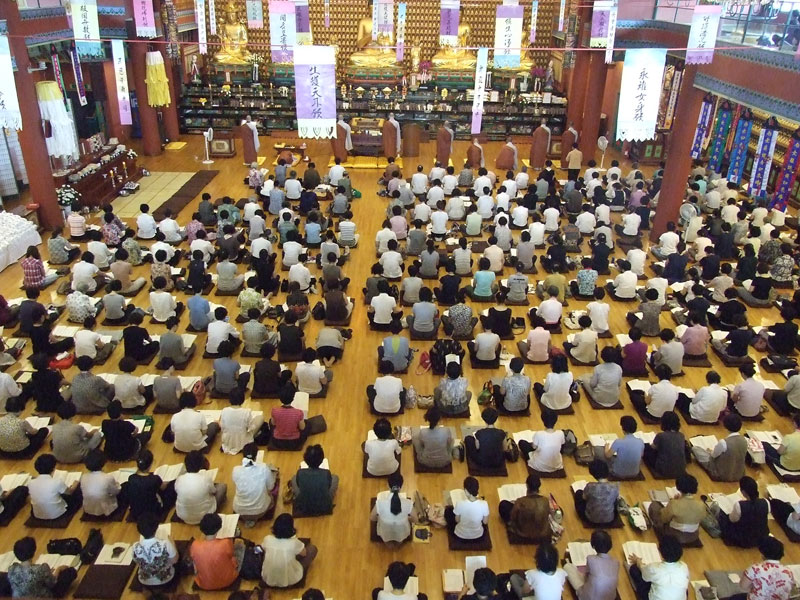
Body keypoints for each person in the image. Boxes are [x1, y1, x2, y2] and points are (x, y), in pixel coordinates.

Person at [8, 536, 78, 598]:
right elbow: (52, 582)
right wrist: (58, 569)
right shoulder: (41, 569)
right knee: (70, 572)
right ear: (33, 551)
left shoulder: (11, 569)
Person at [648, 473, 706, 546]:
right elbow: (701, 518)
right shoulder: (701, 505)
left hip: (673, 535)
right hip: (693, 536)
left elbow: (663, 519)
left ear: (678, 487)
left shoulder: (674, 503)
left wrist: (672, 502)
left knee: (654, 505)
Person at [190, 512, 244, 590]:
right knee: (240, 546)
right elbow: (231, 555)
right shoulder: (225, 543)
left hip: (204, 584)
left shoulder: (195, 545)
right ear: (219, 527)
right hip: (229, 580)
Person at [261, 513, 317, 587]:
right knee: (312, 549)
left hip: (268, 579)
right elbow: (304, 553)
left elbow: (263, 548)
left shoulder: (267, 539)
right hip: (290, 580)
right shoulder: (293, 542)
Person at [628, 535, 689, 600]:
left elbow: (643, 571)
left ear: (661, 551)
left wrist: (638, 561)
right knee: (683, 590)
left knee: (634, 569)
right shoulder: (684, 566)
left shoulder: (654, 568)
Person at [563, 530, 619, 600]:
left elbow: (585, 579)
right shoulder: (616, 562)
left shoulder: (590, 559)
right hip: (610, 598)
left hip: (588, 597)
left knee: (568, 567)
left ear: (593, 546)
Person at [174, 450, 227, 525]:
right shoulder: (205, 478)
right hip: (205, 516)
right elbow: (214, 492)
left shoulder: (179, 479)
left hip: (183, 516)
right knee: (222, 487)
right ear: (201, 465)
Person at [717, 476, 770, 548]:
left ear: (743, 492)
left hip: (743, 538)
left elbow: (732, 519)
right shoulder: (766, 502)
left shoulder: (739, 505)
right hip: (759, 537)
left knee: (722, 514)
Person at [692, 413, 748, 481]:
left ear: (725, 426)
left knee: (695, 449)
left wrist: (709, 451)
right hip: (739, 473)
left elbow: (713, 456)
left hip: (721, 473)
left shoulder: (723, 443)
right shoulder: (744, 440)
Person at [499, 474, 552, 543]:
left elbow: (513, 517)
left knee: (503, 505)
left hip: (522, 532)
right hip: (541, 532)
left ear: (527, 485)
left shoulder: (520, 501)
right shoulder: (545, 501)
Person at [233, 443, 277, 525]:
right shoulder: (264, 468)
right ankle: (253, 518)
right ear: (256, 455)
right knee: (271, 497)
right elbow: (271, 487)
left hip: (239, 510)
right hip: (260, 511)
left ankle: (248, 519)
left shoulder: (235, 470)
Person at [132, 512, 179, 588]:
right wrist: (172, 542)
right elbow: (175, 561)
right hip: (166, 579)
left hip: (144, 580)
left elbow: (137, 561)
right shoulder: (165, 544)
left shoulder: (135, 547)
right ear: (156, 528)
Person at [123, 450, 172, 521]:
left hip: (136, 512)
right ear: (151, 463)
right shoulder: (154, 479)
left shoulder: (131, 478)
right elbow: (163, 488)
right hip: (153, 512)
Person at [29, 453, 80, 520]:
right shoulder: (57, 482)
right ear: (53, 468)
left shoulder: (31, 483)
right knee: (77, 490)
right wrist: (75, 484)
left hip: (37, 514)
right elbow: (70, 492)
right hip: (57, 514)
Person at [291, 445, 338, 516]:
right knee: (335, 478)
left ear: (305, 459)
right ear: (321, 460)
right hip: (323, 505)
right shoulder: (326, 473)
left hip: (304, 506)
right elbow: (328, 486)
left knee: (294, 478)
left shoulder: (300, 472)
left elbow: (298, 484)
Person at [371, 472, 414, 543]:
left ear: (388, 485)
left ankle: (388, 544)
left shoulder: (380, 503)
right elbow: (415, 520)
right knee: (400, 539)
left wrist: (380, 518)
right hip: (401, 532)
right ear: (401, 486)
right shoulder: (408, 503)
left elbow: (372, 518)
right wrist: (407, 519)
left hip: (385, 532)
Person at [643, 412, 687, 479]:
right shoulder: (681, 435)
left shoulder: (661, 436)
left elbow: (653, 448)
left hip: (663, 469)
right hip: (681, 469)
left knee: (646, 449)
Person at [574, 460, 619, 525]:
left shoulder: (590, 486)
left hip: (590, 519)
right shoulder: (614, 487)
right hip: (610, 520)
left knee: (578, 493)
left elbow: (584, 498)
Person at [220, 389, 264, 455]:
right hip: (243, 442)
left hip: (228, 442)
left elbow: (223, 428)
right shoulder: (246, 412)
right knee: (260, 418)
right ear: (242, 399)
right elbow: (251, 428)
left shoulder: (224, 411)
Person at [80, 449, 122, 517]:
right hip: (107, 509)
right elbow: (116, 491)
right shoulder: (107, 478)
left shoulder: (83, 477)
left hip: (89, 509)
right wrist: (117, 484)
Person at [446, 477, 489, 541]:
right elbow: (485, 522)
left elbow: (457, 520)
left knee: (448, 510)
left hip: (460, 535)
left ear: (466, 491)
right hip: (478, 535)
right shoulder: (484, 504)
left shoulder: (460, 503)